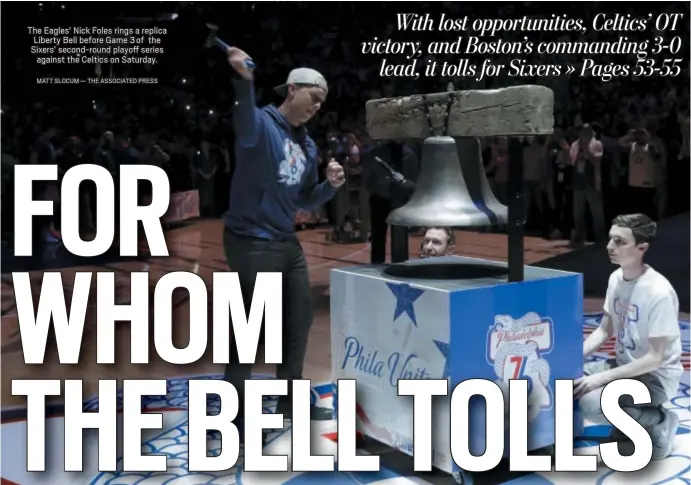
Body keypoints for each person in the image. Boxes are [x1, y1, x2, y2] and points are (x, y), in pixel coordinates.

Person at [222, 47, 345, 442]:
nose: (318, 106)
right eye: (315, 96)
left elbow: (304, 200)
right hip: (251, 241)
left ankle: (289, 402)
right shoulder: (261, 124)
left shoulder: (308, 146)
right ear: (293, 89)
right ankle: (234, 414)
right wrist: (244, 80)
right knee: (249, 330)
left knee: (299, 322)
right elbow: (243, 121)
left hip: (286, 243)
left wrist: (331, 186)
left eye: (323, 102)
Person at [577, 213, 681, 459]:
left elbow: (656, 358)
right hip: (625, 365)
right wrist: (572, 357)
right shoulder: (616, 278)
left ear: (641, 247)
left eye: (620, 241)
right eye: (611, 239)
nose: (610, 247)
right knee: (566, 380)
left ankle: (659, 421)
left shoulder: (658, 291)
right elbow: (605, 330)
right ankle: (627, 428)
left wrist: (601, 378)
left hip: (657, 377)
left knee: (593, 401)